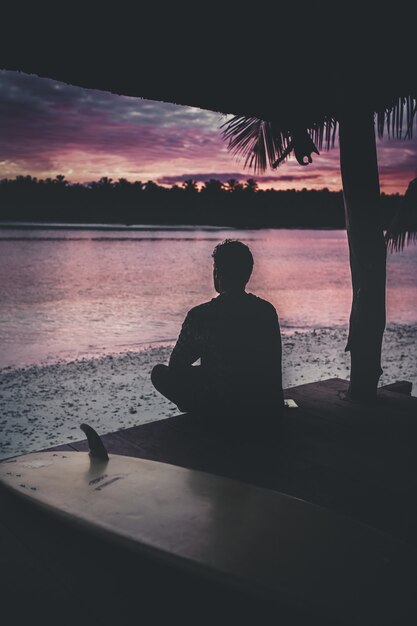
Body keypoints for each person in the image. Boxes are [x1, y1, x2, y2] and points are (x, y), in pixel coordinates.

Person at [151, 239, 285, 438]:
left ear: (217, 273)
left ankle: (203, 414)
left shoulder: (202, 315)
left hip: (222, 411)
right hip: (264, 408)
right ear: (248, 274)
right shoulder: (266, 311)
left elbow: (177, 365)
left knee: (159, 374)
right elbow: (272, 366)